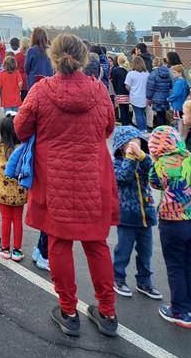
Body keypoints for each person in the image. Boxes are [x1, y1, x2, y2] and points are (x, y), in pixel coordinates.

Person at [15, 33, 119, 339]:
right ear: (84, 58)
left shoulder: (41, 91)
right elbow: (109, 127)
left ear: (54, 58)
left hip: (55, 179)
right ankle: (108, 312)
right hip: (92, 179)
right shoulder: (99, 91)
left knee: (59, 245)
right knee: (96, 245)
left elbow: (21, 129)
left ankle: (69, 310)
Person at [148, 126, 191, 328]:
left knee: (175, 266)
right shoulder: (189, 157)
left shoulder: (160, 164)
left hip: (172, 222)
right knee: (189, 264)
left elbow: (154, 184)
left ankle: (180, 311)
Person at [111, 126, 161, 300]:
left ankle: (144, 281)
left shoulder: (143, 160)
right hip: (126, 217)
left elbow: (153, 173)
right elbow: (123, 177)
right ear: (120, 146)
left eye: (138, 142)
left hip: (146, 215)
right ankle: (118, 278)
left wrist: (141, 156)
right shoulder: (117, 163)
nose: (134, 145)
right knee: (123, 250)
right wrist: (130, 159)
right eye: (130, 143)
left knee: (146, 252)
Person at [0, 113, 27, 261]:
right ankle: (17, 251)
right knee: (18, 220)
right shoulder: (24, 149)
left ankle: (5, 248)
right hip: (20, 193)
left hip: (2, 193)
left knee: (6, 219)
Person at [125, 56, 150, 132]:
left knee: (138, 114)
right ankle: (144, 129)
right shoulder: (147, 73)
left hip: (135, 97)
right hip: (144, 97)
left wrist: (132, 89)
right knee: (142, 114)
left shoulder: (131, 74)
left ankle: (142, 130)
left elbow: (127, 86)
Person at [147, 57, 173, 128]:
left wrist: (148, 97)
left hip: (156, 98)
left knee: (159, 116)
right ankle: (165, 130)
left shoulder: (153, 74)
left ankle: (161, 132)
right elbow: (171, 85)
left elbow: (150, 87)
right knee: (163, 115)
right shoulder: (169, 72)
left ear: (153, 63)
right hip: (166, 97)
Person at [111, 54, 130, 126]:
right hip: (126, 92)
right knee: (126, 108)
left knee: (121, 109)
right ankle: (127, 122)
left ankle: (124, 123)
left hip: (119, 91)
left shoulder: (116, 70)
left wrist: (115, 90)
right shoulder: (126, 70)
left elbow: (114, 81)